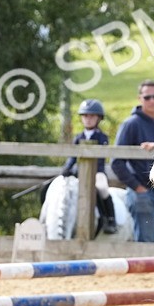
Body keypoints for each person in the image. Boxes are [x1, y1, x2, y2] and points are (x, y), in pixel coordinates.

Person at [112, 80, 154, 243]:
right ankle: (148, 264)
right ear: (139, 99)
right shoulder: (131, 124)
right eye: (147, 97)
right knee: (148, 238)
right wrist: (137, 187)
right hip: (142, 189)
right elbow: (116, 162)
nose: (152, 101)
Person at [61, 99, 117, 234]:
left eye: (92, 116)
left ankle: (110, 218)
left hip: (97, 172)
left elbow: (100, 159)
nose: (88, 119)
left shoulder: (102, 137)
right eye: (85, 116)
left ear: (98, 118)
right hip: (80, 173)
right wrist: (67, 168)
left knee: (102, 188)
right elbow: (73, 157)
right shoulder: (78, 137)